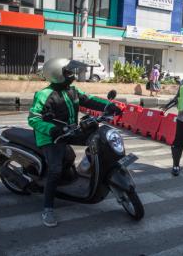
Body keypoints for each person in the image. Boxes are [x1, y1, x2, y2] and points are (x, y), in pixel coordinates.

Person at [28, 58, 122, 227]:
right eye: (68, 72)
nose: (72, 75)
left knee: (99, 139)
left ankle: (86, 169)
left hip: (69, 130)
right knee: (55, 170)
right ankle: (48, 208)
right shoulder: (43, 95)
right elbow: (33, 119)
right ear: (58, 74)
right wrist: (51, 129)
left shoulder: (72, 90)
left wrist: (109, 106)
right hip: (51, 137)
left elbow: (90, 99)